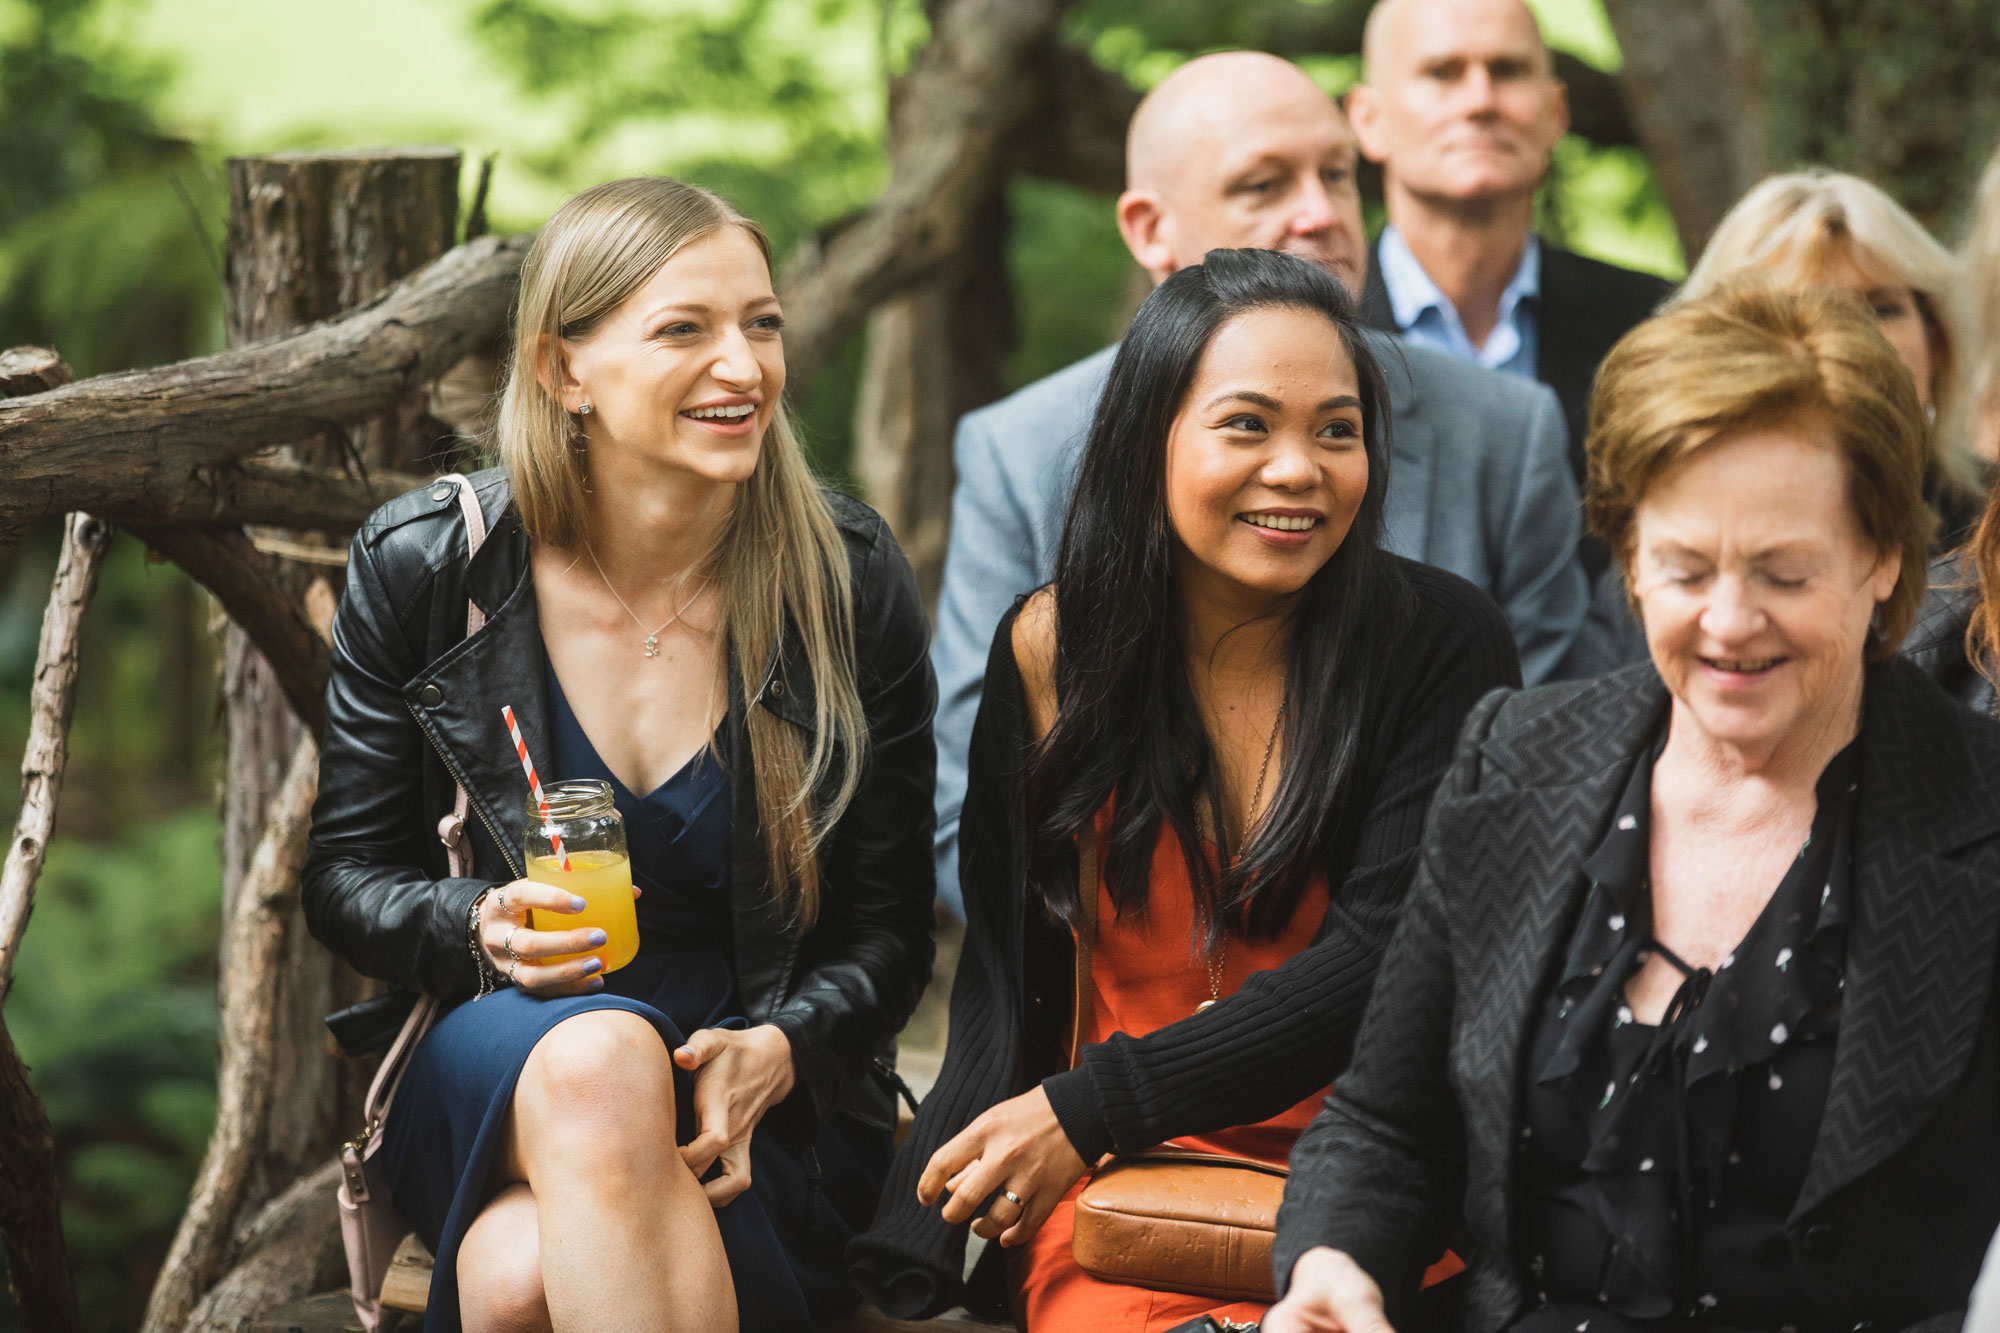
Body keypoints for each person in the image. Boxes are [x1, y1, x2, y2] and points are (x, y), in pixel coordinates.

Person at [1267, 281, 2000, 1333]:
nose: (1729, 622)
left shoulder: (1978, 812)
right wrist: (1334, 1263)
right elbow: (1387, 1125)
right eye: (1683, 567)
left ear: (1882, 558)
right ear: (1624, 554)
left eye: (1784, 573)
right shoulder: (1511, 758)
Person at [301, 177, 937, 1332]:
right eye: (684, 329)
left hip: (751, 1085)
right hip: (502, 1059)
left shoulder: (840, 579)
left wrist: (788, 1047)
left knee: (513, 1285)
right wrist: (474, 922)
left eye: (761, 323)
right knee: (599, 1061)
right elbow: (343, 882)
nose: (743, 367)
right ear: (562, 370)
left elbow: (888, 926)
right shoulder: (432, 570)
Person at [850, 248, 1520, 1328]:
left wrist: (1087, 1105)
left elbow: (1384, 964)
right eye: (1246, 424)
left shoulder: (1438, 643)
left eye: (1335, 430)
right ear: (1147, 440)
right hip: (1114, 1190)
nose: (1299, 468)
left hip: (1370, 1186)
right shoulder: (1050, 651)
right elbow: (1011, 965)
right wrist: (922, 1214)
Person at [929, 49, 1589, 917]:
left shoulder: (1504, 430)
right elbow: (964, 828)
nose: (1320, 214)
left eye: (1338, 175)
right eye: (1263, 185)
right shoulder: (1022, 449)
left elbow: (1550, 770)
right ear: (1148, 228)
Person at [1348, 0, 1673, 490]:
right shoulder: (1319, 331)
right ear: (1369, 120)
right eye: (1442, 73)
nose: (1480, 101)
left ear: (1556, 113)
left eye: (1508, 71)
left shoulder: (1657, 327)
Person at [1681, 168, 1986, 547]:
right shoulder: (1672, 526)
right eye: (1801, 309)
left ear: (1936, 342)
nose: (1851, 336)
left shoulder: (1992, 521)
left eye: (1881, 310)